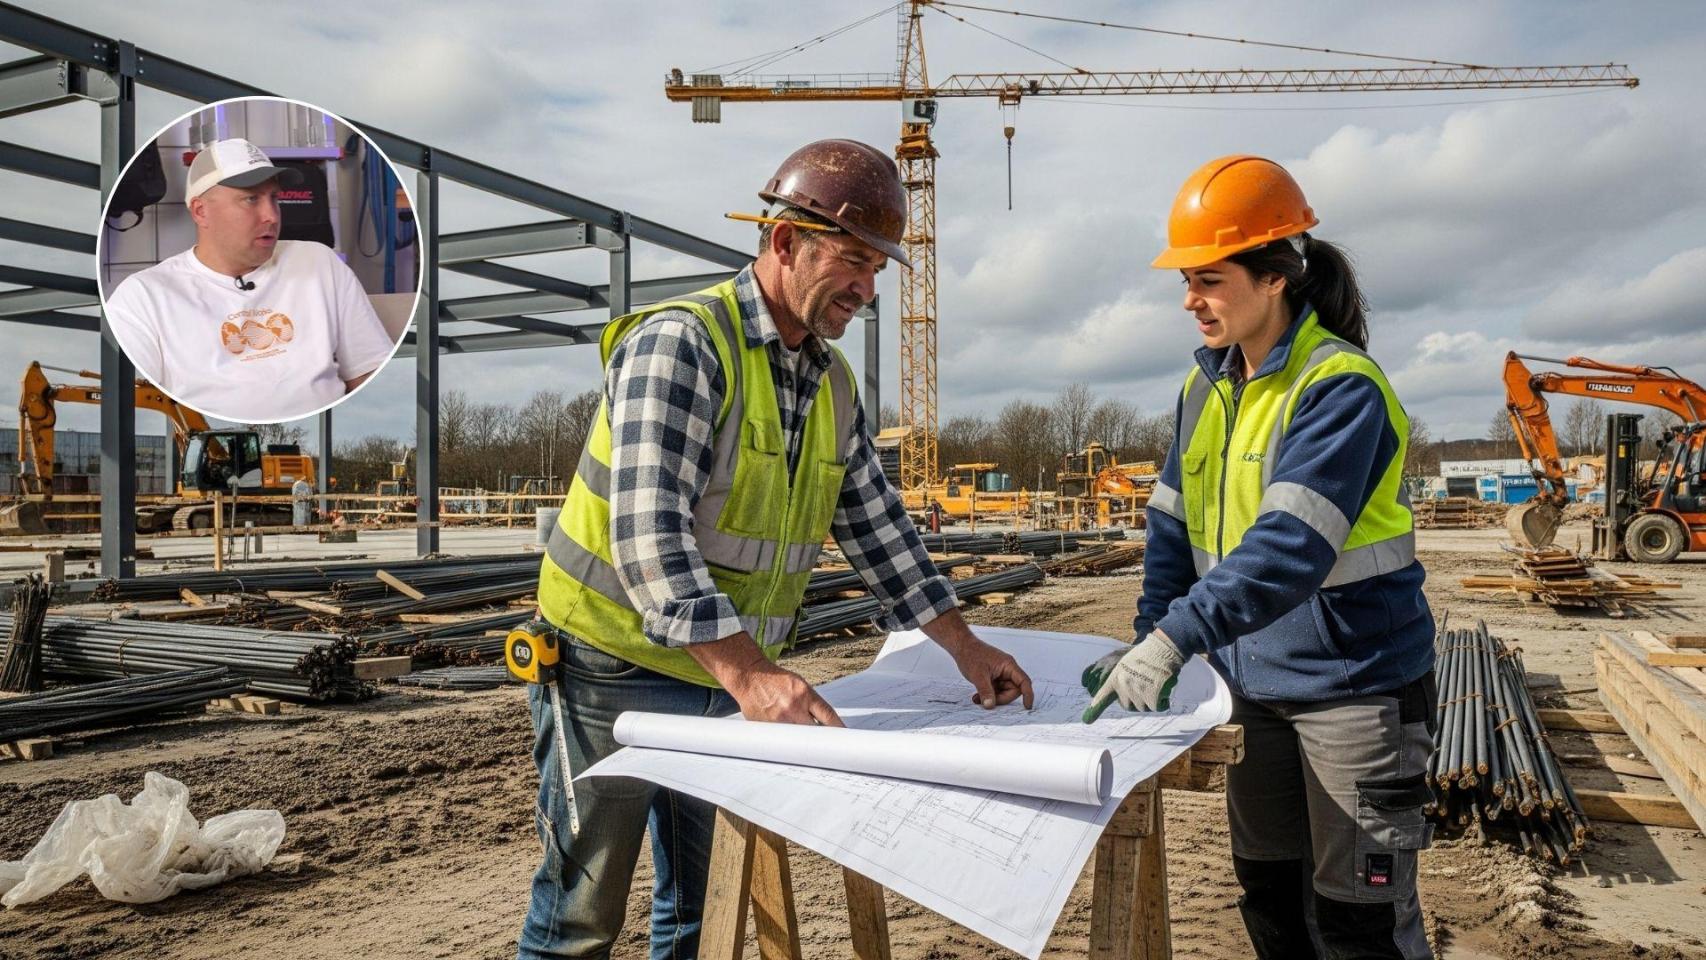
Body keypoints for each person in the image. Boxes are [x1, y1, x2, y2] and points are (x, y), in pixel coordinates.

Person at [520, 138, 1035, 960]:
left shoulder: (828, 381)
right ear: (786, 243)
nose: (868, 291)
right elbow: (649, 534)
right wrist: (753, 675)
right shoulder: (684, 343)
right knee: (581, 914)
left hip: (720, 671)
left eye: (878, 271)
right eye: (853, 263)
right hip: (609, 664)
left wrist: (963, 645)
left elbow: (876, 525)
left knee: (702, 907)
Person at [1083, 155, 1437, 959]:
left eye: (1208, 278)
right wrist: (1150, 641)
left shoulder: (1338, 386)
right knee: (1272, 905)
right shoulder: (1202, 389)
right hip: (1252, 691)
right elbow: (1171, 533)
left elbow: (1290, 549)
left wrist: (1174, 640)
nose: (1189, 300)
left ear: (1274, 277)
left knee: (1360, 925)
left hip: (1356, 687)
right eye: (1186, 280)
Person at [103, 138, 396, 422]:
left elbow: (368, 374)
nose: (271, 215)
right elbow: (138, 409)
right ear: (201, 211)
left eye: (274, 198)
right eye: (251, 199)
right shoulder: (143, 298)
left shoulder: (319, 263)